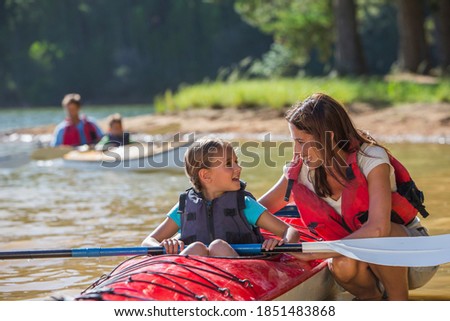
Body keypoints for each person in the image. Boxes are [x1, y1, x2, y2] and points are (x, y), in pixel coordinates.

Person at [258, 93, 438, 301]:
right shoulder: (302, 170)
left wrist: (316, 252)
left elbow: (378, 229)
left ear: (329, 137)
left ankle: (398, 303)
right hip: (360, 259)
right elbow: (257, 209)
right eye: (294, 142)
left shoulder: (371, 158)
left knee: (379, 240)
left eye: (301, 142)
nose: (297, 151)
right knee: (341, 264)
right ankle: (373, 301)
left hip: (413, 260)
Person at [142, 137, 300, 257]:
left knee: (218, 246)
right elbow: (148, 242)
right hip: (194, 276)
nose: (238, 168)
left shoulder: (245, 205)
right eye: (229, 164)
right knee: (196, 248)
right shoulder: (183, 208)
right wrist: (166, 244)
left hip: (240, 272)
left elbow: (290, 231)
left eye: (236, 162)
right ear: (206, 175)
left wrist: (280, 244)